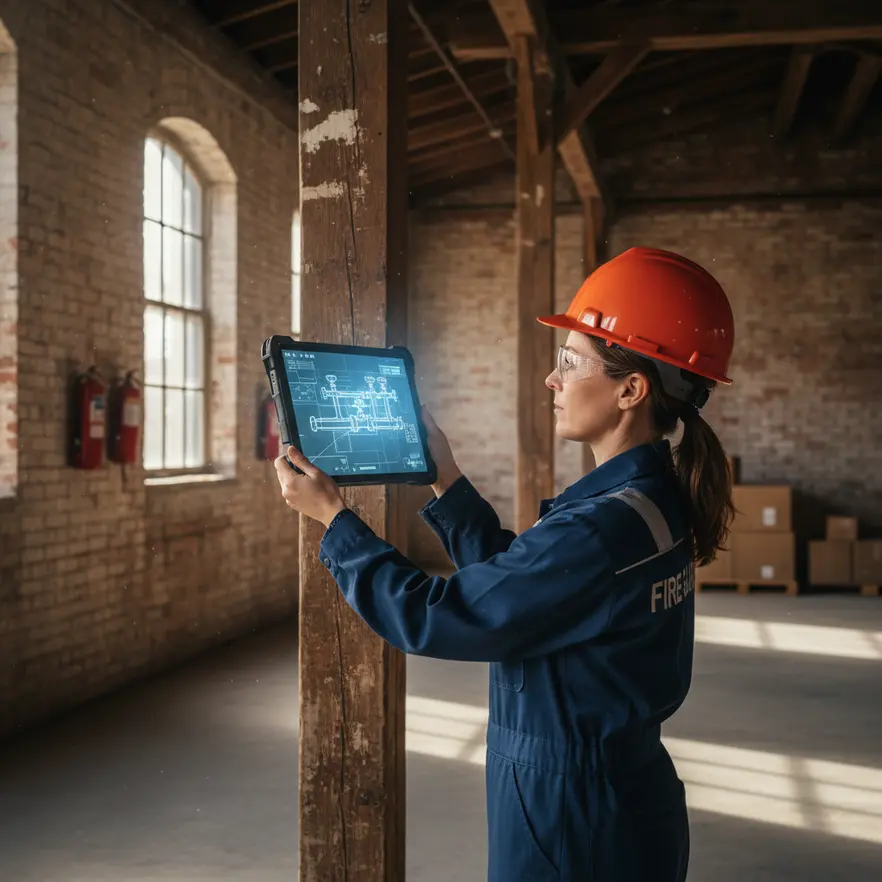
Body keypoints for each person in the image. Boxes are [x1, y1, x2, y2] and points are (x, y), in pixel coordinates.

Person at [275, 246, 736, 882]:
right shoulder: (647, 502)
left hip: (571, 815)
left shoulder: (601, 528)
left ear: (631, 389)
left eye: (571, 362)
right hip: (621, 797)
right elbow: (531, 588)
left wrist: (335, 520)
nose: (553, 379)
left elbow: (443, 616)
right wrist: (448, 479)